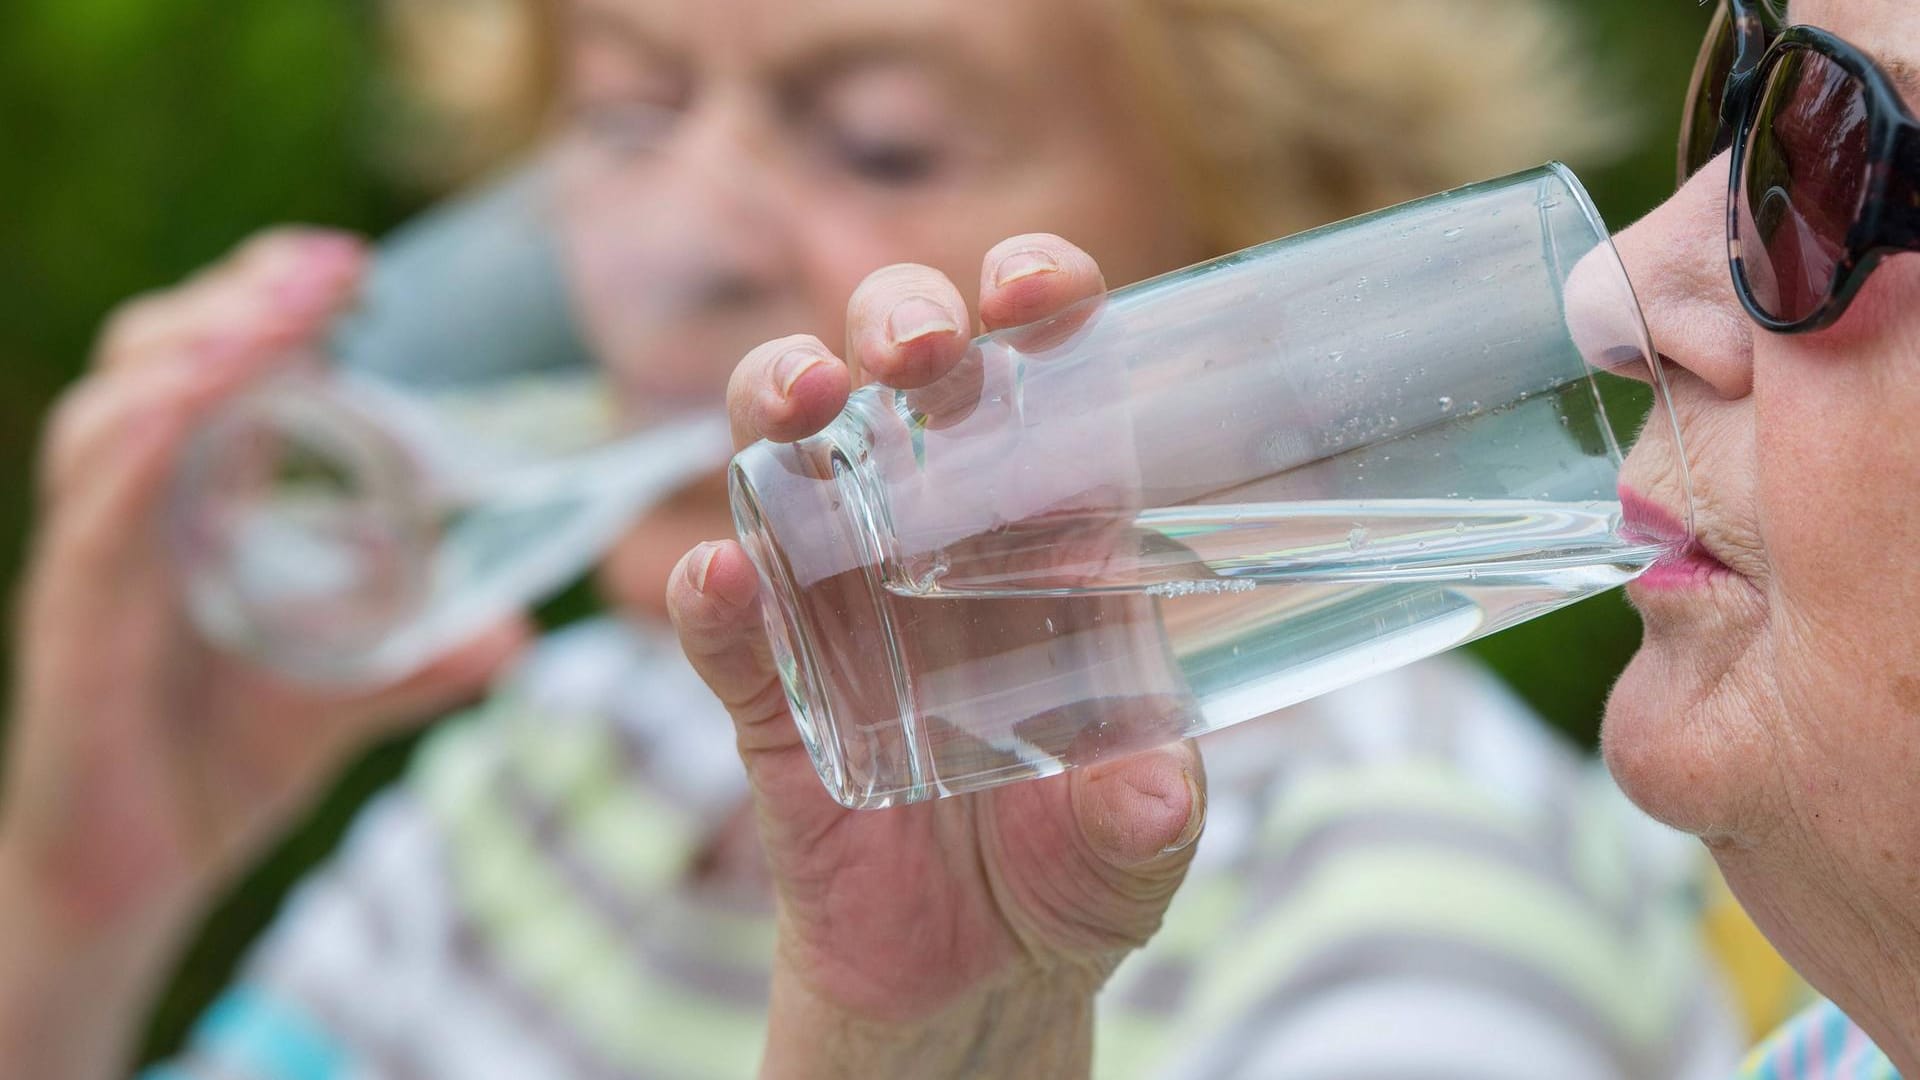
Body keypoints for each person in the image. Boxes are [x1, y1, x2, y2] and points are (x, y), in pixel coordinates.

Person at [0, 1, 1746, 1078]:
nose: (682, 247)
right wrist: (72, 910)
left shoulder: (1422, 904)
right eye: (624, 111)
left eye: (877, 137)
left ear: (1259, 242)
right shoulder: (587, 762)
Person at [674, 0, 1920, 1075]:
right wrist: (944, 1044)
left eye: (1829, 154)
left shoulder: (1435, 891)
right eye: (1741, 104)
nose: (1616, 287)